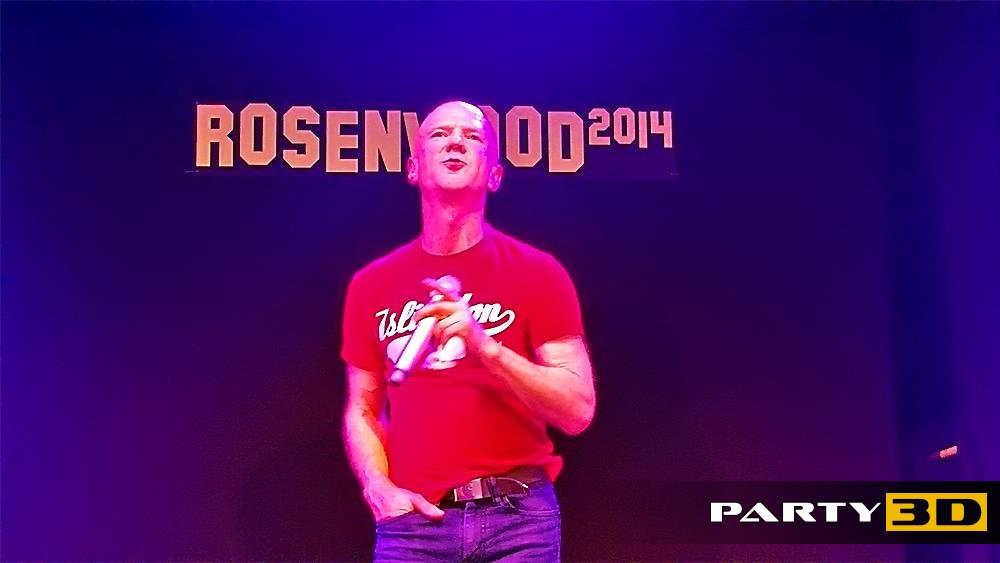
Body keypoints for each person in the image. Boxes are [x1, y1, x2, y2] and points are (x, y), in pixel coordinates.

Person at [340, 100, 596, 561]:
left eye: (472, 136)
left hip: (519, 519)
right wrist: (378, 486)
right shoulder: (371, 284)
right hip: (414, 522)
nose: (455, 141)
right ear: (413, 169)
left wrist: (486, 347)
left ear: (494, 175)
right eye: (440, 134)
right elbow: (363, 408)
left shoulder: (538, 273)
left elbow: (577, 409)